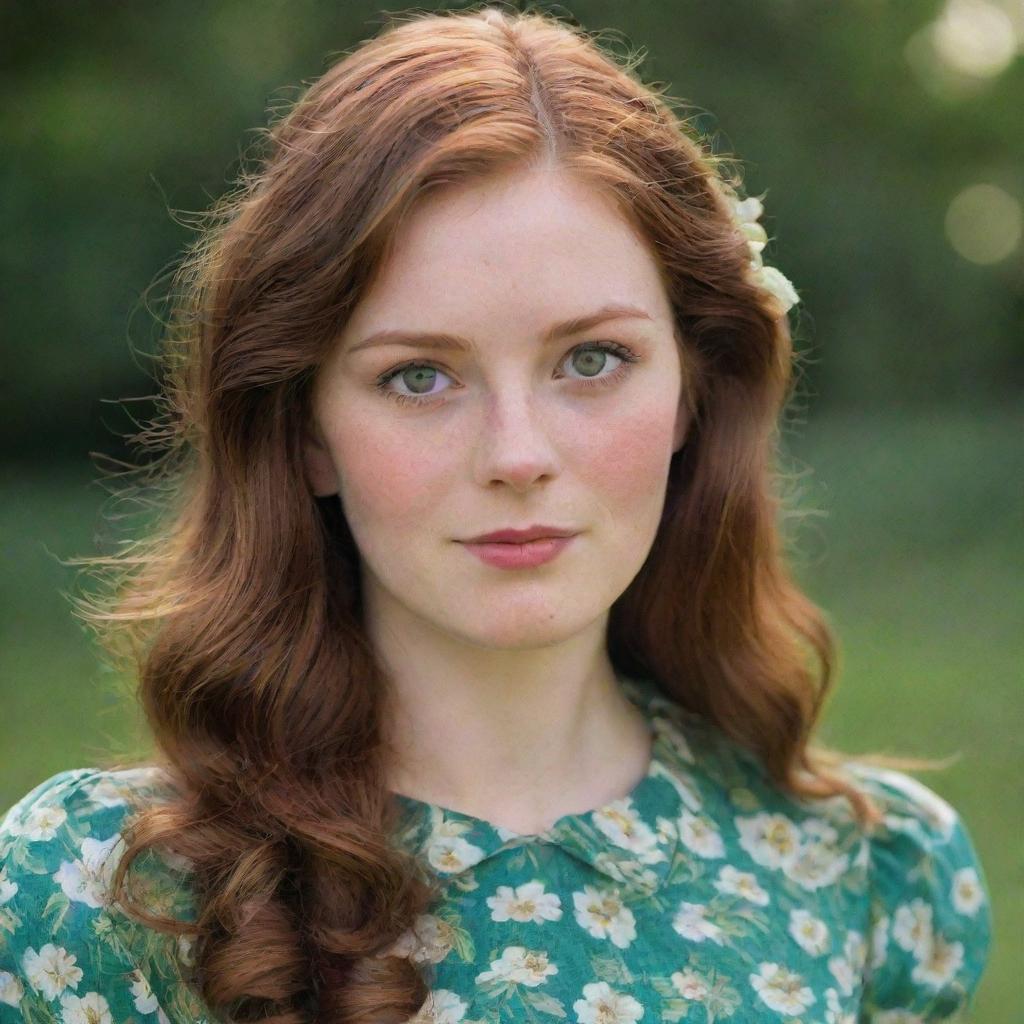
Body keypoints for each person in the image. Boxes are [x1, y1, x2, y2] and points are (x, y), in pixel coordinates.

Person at [0, 7, 993, 1024]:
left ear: (696, 391)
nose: (517, 454)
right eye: (420, 376)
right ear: (304, 429)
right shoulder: (97, 902)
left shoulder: (864, 873)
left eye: (590, 360)